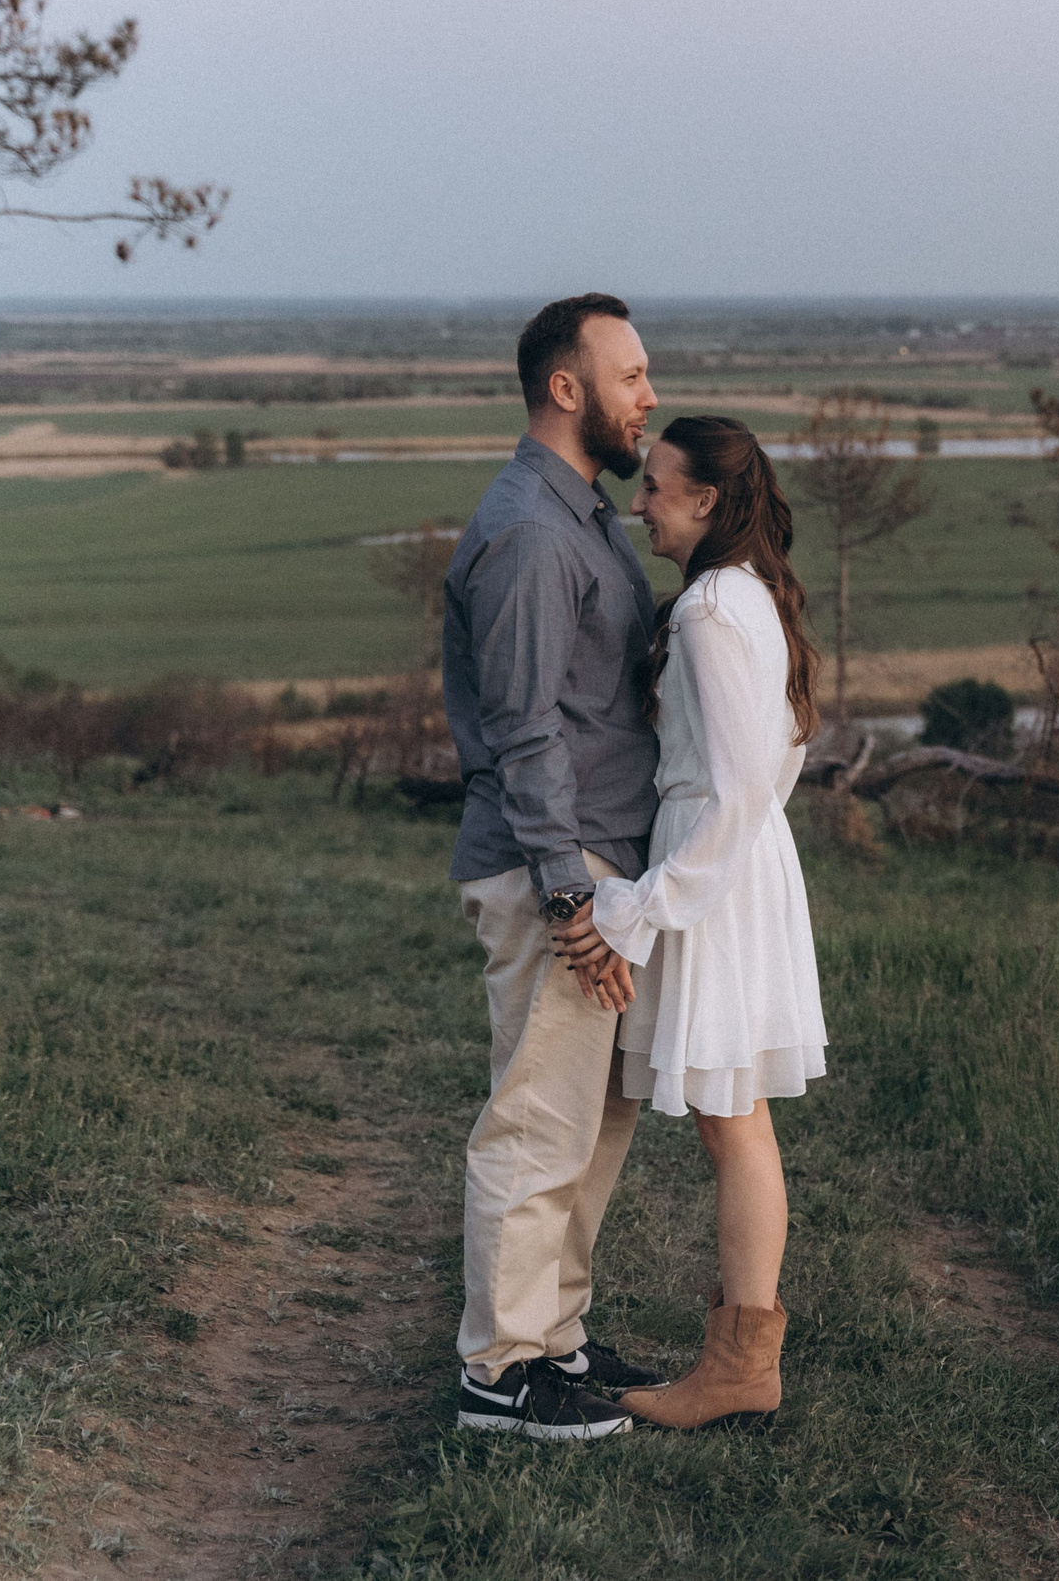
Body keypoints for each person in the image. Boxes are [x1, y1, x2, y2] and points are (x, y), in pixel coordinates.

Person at [553, 413, 828, 1431]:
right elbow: (779, 760)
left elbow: (741, 783)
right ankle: (739, 1359)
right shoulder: (749, 593)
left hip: (711, 872)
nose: (640, 506)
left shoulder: (712, 609)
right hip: (735, 865)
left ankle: (741, 1367)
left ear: (706, 501)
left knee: (733, 1120)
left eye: (657, 489)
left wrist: (640, 906)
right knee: (735, 1118)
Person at [442, 293, 670, 1441]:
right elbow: (525, 728)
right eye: (630, 376)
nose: (649, 397)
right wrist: (570, 892)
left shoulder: (586, 516)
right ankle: (499, 1371)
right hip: (557, 866)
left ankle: (555, 1338)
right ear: (566, 389)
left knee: (594, 1120)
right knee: (538, 1120)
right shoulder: (533, 530)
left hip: (600, 867)